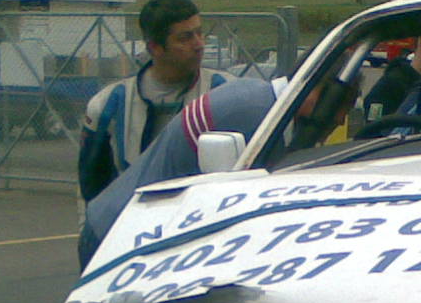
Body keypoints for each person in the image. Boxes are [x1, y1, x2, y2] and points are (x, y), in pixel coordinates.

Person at [79, 78, 278, 266]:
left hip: (163, 227)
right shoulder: (111, 99)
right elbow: (92, 172)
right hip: (120, 230)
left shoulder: (223, 86)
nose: (198, 52)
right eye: (184, 41)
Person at [77, 0, 229, 204]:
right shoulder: (108, 104)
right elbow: (92, 188)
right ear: (154, 47)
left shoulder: (225, 92)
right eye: (185, 38)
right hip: (137, 215)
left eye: (199, 33)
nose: (199, 44)